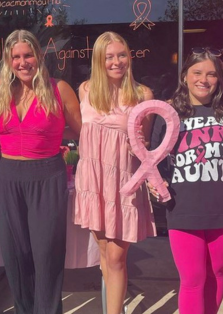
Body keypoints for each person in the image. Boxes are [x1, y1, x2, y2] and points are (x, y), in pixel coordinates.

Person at [0, 29, 81, 314]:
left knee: (47, 255)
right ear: (8, 60)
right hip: (6, 176)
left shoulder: (60, 88)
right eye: (16, 57)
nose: (22, 62)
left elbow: (85, 135)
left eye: (28, 55)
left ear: (39, 56)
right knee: (16, 255)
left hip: (47, 175)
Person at [148, 48, 223, 314]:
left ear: (219, 79)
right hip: (183, 207)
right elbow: (155, 163)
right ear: (185, 76)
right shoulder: (168, 113)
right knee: (192, 279)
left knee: (217, 272)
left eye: (211, 74)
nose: (204, 79)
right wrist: (155, 186)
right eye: (197, 72)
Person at [74, 31, 156, 314]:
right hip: (93, 182)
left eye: (122, 55)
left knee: (118, 258)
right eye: (109, 56)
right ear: (99, 59)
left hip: (123, 184)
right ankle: (115, 309)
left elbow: (143, 148)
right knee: (106, 255)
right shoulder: (85, 90)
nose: (116, 61)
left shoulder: (143, 95)